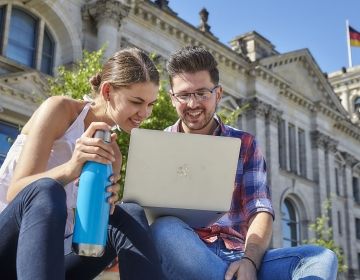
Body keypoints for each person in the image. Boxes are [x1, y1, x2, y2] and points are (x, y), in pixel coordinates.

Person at [150, 46, 338, 280]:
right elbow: (145, 214)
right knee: (164, 229)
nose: (192, 103)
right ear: (172, 98)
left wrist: (249, 261)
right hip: (189, 253)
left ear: (218, 94)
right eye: (184, 95)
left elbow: (260, 209)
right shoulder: (158, 144)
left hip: (240, 257)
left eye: (202, 93)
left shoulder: (245, 143)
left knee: (321, 257)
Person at [0, 48, 164, 280]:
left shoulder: (113, 154)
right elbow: (16, 191)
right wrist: (70, 169)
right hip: (7, 245)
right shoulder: (60, 110)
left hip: (51, 261)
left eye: (151, 104)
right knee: (46, 190)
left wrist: (107, 206)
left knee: (130, 213)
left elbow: (87, 229)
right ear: (107, 90)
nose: (144, 113)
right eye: (137, 101)